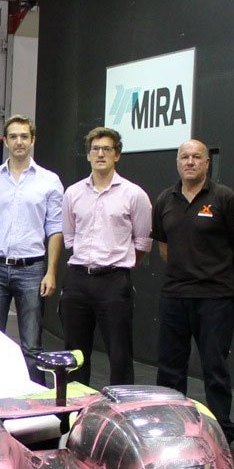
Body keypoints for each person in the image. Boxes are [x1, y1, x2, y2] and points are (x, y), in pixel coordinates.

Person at [152, 139, 234, 444]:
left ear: (207, 163)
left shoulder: (225, 198)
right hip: (175, 297)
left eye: (197, 157)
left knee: (215, 367)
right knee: (170, 368)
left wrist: (223, 280)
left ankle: (221, 430)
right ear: (178, 162)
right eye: (185, 157)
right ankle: (170, 426)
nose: (190, 162)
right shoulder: (164, 200)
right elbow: (165, 248)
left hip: (215, 299)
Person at [0, 115, 63, 379]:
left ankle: (35, 403)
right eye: (13, 136)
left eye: (24, 136)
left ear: (32, 140)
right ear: (6, 141)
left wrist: (51, 272)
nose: (19, 141)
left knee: (32, 345)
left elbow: (55, 229)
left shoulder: (49, 180)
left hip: (32, 269)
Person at [59, 126, 153, 387]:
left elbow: (143, 242)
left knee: (120, 354)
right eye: (95, 149)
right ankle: (74, 415)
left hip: (114, 281)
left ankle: (120, 415)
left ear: (117, 155)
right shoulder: (73, 193)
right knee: (74, 356)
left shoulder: (134, 194)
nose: (100, 154)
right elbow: (70, 238)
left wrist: (118, 263)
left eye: (107, 149)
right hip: (78, 281)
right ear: (88, 155)